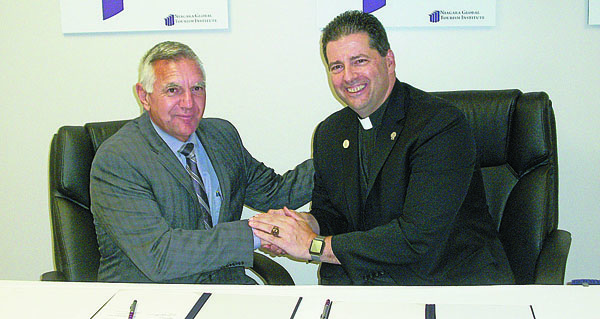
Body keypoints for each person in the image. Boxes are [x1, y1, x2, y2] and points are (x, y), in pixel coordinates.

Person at [249, 11, 515, 285]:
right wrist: (299, 225)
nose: (348, 76)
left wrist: (311, 246)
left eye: (359, 61)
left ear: (389, 61)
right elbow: (333, 216)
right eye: (336, 66)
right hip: (363, 285)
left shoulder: (440, 125)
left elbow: (415, 238)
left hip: (443, 283)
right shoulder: (330, 132)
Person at [90, 41, 313, 284]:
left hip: (227, 291)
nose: (188, 103)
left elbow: (276, 192)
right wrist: (259, 233)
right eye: (173, 90)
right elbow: (160, 255)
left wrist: (343, 153)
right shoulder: (119, 158)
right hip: (152, 302)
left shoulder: (221, 136)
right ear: (144, 96)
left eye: (197, 88)